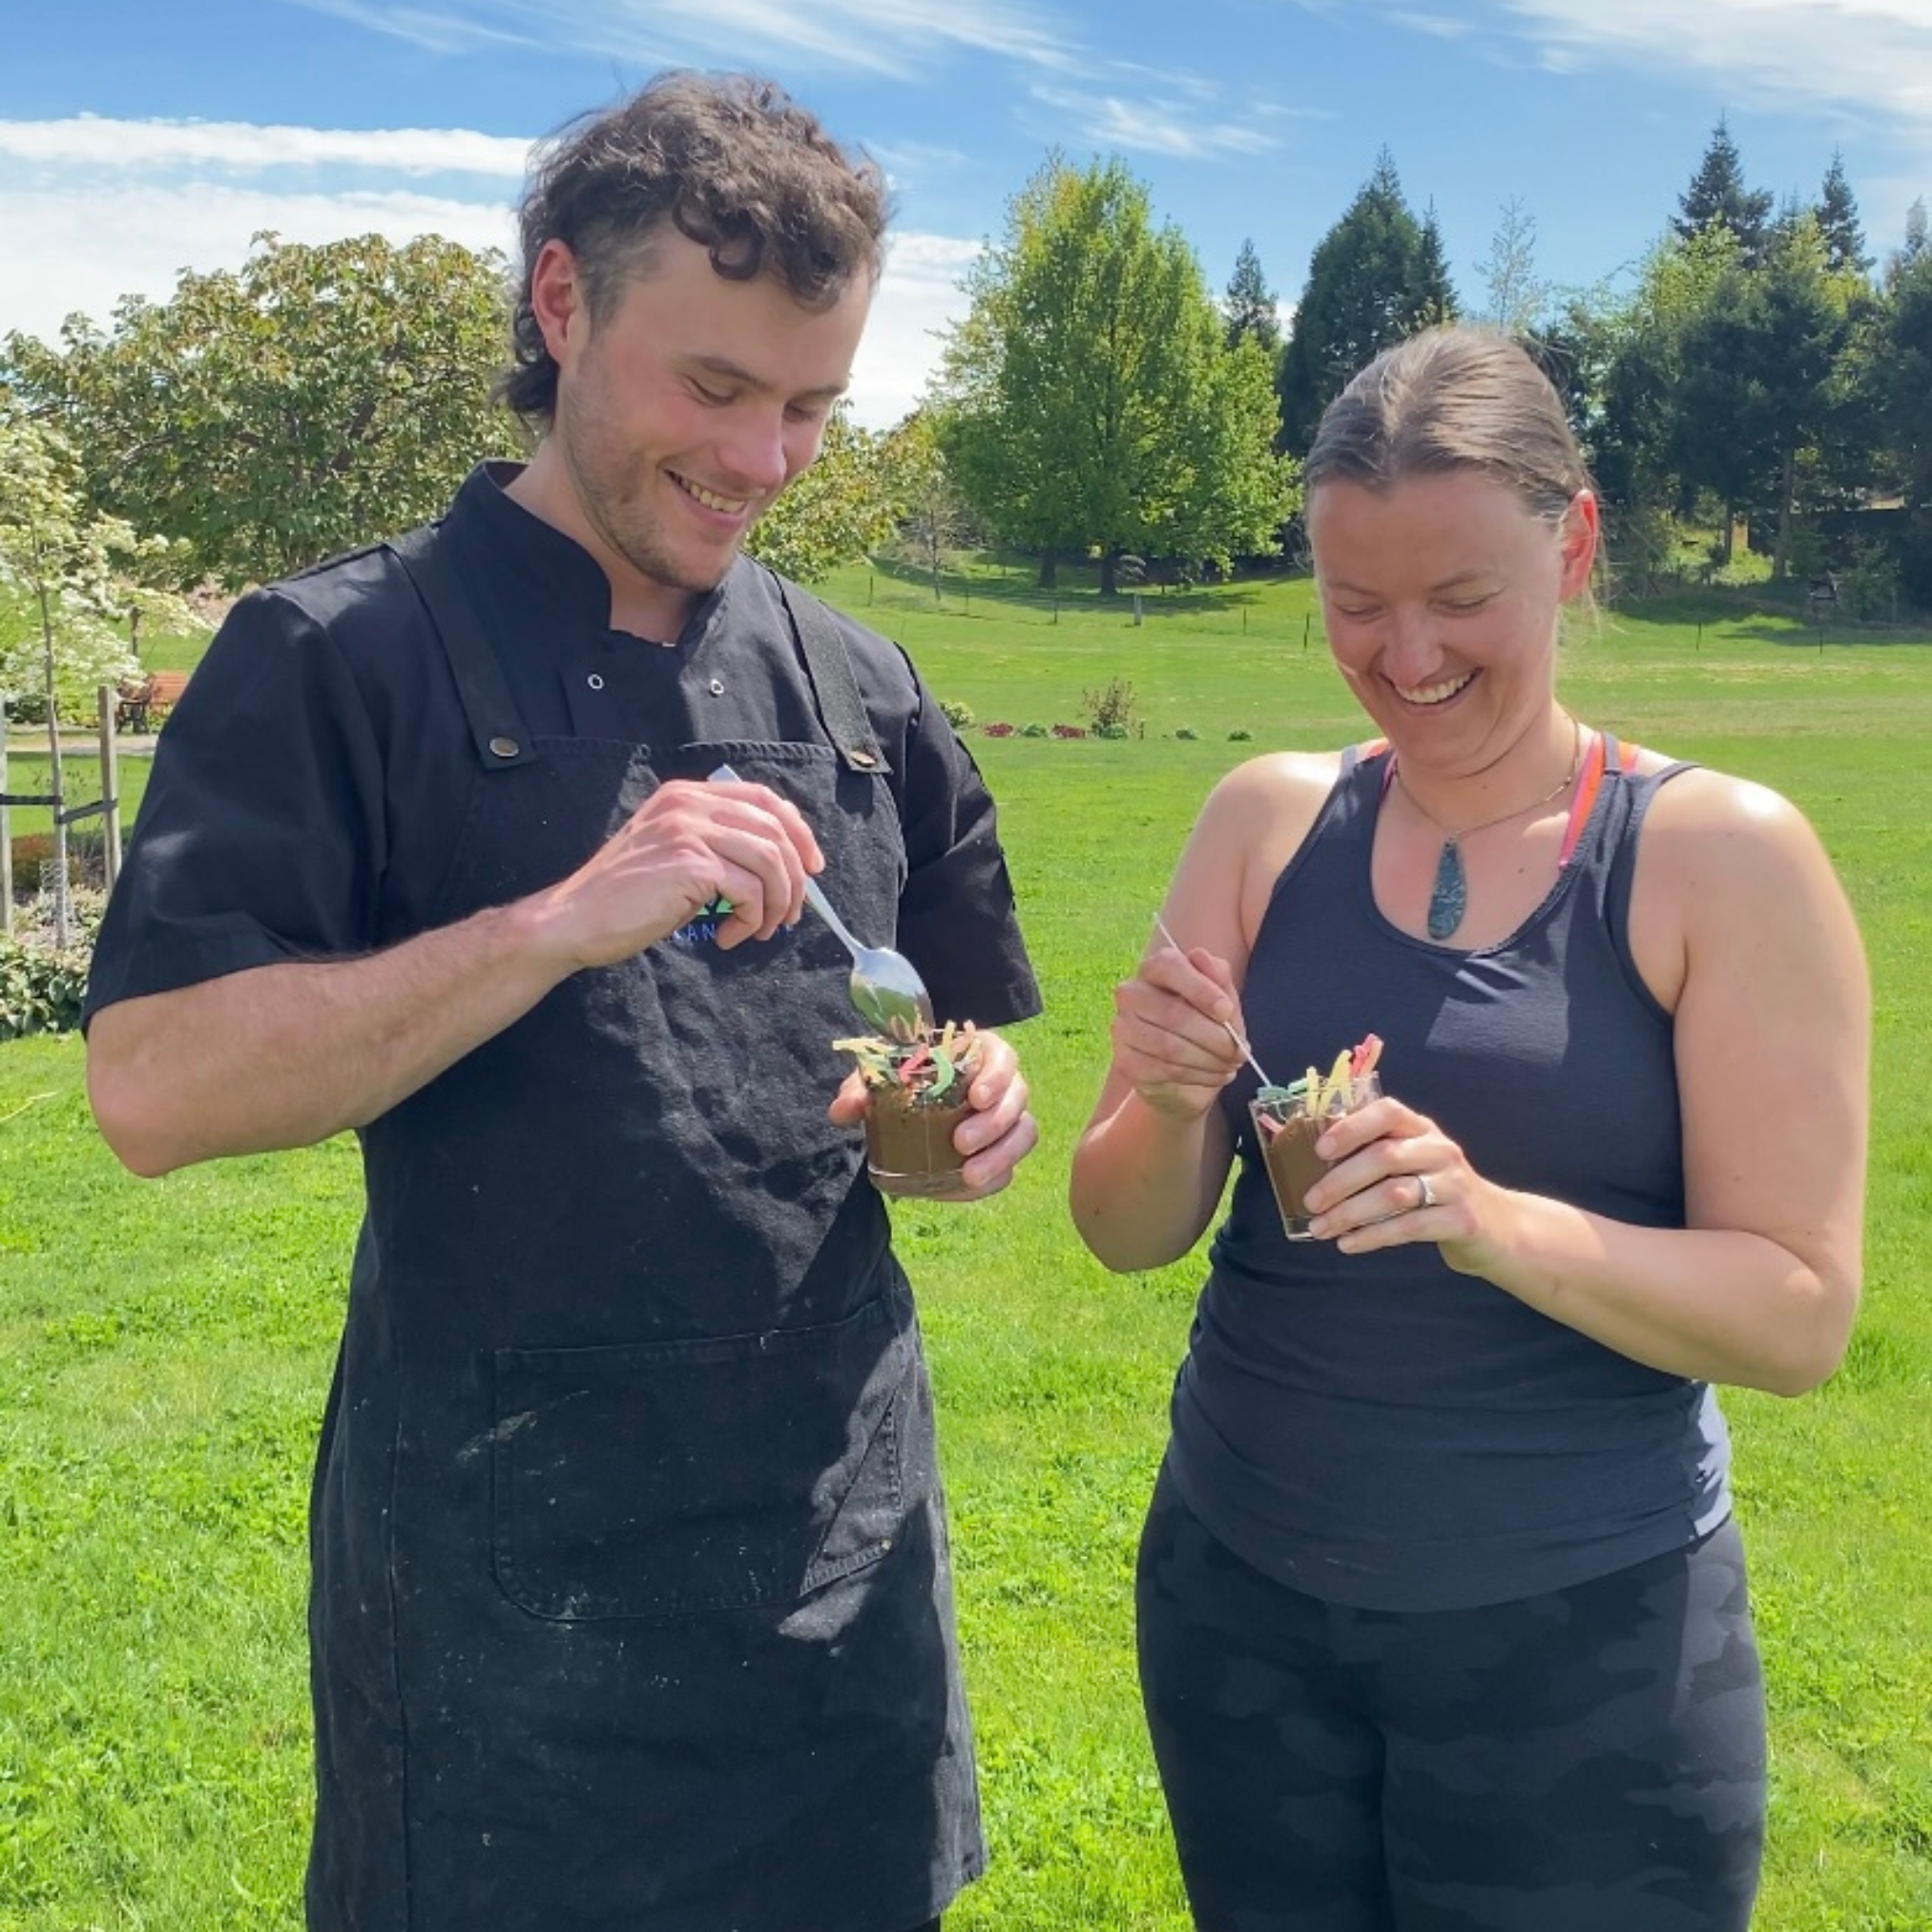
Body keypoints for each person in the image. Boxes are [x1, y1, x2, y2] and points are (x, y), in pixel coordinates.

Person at [83, 72, 1041, 1932]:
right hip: (507, 1617)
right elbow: (151, 1087)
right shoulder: (338, 656)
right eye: (714, 390)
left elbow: (930, 1095)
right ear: (558, 306)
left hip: (837, 1577)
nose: (764, 460)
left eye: (809, 408)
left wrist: (963, 1124)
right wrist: (551, 925)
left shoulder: (860, 683)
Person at [1070, 326, 1868, 1932]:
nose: (1404, 653)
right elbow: (1126, 1226)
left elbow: (1798, 1315)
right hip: (1241, 1602)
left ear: (1572, 549)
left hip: (1583, 1645)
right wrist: (1165, 1103)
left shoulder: (1719, 855)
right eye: (1355, 605)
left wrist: (1487, 1220)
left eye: (1457, 600)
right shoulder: (1266, 817)